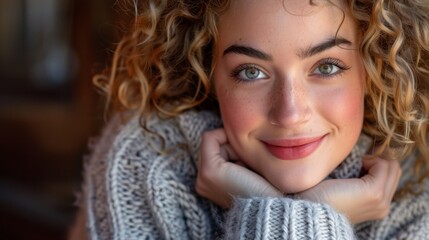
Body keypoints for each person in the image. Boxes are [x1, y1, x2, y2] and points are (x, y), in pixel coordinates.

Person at [69, 0, 429, 239]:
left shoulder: (417, 190)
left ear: (374, 67)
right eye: (251, 72)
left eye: (327, 66)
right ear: (208, 75)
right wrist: (304, 217)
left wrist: (294, 211)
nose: (289, 114)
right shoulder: (148, 162)